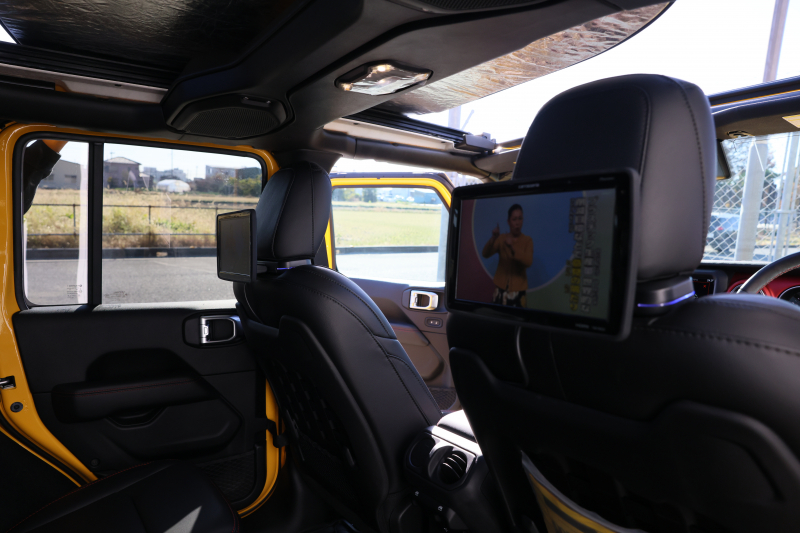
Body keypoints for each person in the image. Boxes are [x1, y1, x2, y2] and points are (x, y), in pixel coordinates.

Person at [482, 204, 533, 307]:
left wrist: (512, 247)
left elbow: (528, 262)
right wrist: (493, 238)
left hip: (518, 291)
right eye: (514, 219)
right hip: (500, 290)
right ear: (508, 222)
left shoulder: (527, 240)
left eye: (520, 218)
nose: (517, 223)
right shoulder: (502, 238)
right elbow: (485, 254)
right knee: (497, 316)